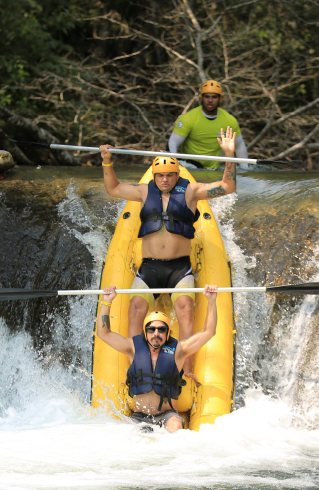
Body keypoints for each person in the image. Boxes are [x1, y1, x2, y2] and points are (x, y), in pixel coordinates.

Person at [99, 127, 236, 380]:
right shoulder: (143, 191)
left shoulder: (192, 191)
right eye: (160, 176)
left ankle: (186, 369)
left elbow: (227, 187)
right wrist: (107, 162)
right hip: (150, 267)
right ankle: (136, 367)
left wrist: (229, 155)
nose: (165, 180)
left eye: (170, 176)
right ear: (154, 176)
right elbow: (114, 189)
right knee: (135, 308)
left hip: (179, 268)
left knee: (185, 307)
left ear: (176, 175)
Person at [95, 284, 219, 432]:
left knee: (175, 426)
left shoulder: (179, 350)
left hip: (167, 416)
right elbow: (104, 333)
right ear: (145, 332)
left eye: (161, 330)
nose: (156, 333)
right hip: (139, 416)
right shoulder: (132, 347)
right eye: (151, 329)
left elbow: (209, 332)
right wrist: (107, 302)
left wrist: (211, 301)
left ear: (167, 333)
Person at [168, 80, 249, 169]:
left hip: (214, 169)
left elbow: (239, 146)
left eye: (214, 97)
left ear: (220, 99)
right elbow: (173, 142)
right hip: (191, 167)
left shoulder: (229, 120)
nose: (210, 100)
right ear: (202, 98)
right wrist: (173, 165)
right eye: (206, 97)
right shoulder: (188, 118)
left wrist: (245, 169)